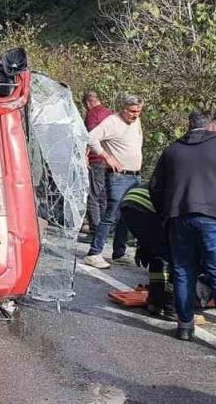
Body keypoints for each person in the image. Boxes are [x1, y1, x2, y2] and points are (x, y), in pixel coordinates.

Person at [150, 110, 216, 352]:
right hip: (215, 217)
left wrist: (167, 212)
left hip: (179, 218)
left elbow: (155, 187)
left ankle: (185, 326)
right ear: (213, 127)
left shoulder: (172, 150)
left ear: (189, 126)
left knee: (183, 271)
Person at [82, 94, 144, 269]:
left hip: (134, 176)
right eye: (132, 111)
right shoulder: (112, 122)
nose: (135, 115)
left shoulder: (136, 122)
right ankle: (94, 252)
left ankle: (119, 252)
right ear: (124, 109)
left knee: (127, 214)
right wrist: (106, 157)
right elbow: (90, 137)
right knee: (111, 214)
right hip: (119, 176)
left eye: (138, 111)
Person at [118, 183, 173, 318]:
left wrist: (143, 245)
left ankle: (155, 302)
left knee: (156, 255)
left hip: (130, 201)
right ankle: (171, 307)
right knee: (176, 259)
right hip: (147, 205)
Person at [83, 91, 114, 234]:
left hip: (96, 159)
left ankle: (95, 228)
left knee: (93, 195)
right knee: (103, 195)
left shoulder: (92, 114)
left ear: (88, 103)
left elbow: (90, 137)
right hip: (110, 159)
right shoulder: (110, 114)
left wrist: (85, 155)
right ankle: (105, 227)